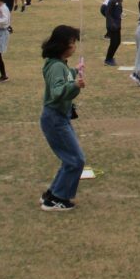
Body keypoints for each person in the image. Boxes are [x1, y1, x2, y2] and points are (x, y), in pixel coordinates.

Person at [39, 25, 86, 211]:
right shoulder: (56, 66)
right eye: (72, 43)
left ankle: (53, 193)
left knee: (70, 158)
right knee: (76, 159)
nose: (74, 47)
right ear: (62, 45)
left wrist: (75, 71)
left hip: (59, 117)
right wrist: (75, 85)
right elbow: (58, 91)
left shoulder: (57, 64)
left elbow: (62, 77)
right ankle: (57, 199)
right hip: (55, 119)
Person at [103, 0, 126, 67]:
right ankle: (108, 59)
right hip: (113, 26)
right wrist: (112, 24)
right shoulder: (112, 0)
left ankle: (110, 58)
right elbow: (108, 13)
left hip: (117, 24)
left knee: (117, 42)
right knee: (114, 42)